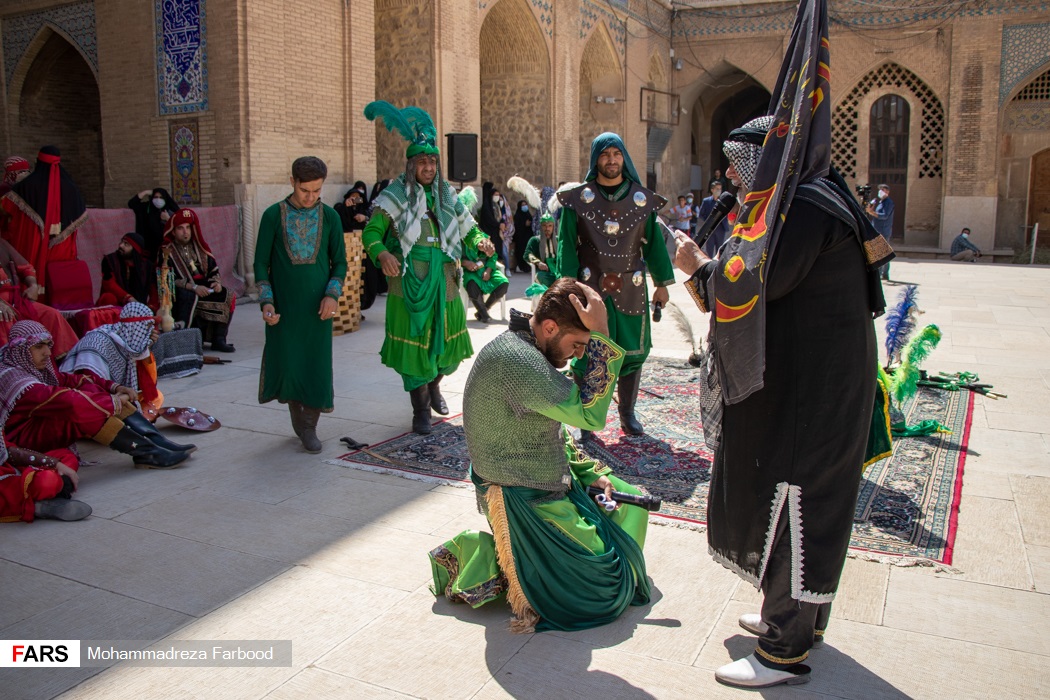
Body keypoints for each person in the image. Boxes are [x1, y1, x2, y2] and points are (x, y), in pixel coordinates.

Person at [675, 108, 892, 685]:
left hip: (811, 393)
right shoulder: (814, 197)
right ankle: (799, 615)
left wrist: (699, 266)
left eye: (737, 167)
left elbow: (755, 286)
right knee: (802, 501)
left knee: (795, 500)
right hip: (818, 381)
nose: (731, 180)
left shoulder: (801, 208)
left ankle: (782, 646)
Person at [428, 279, 650, 632]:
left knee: (632, 503)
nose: (579, 354)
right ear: (549, 327)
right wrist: (603, 332)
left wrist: (592, 474)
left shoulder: (527, 348)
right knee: (605, 589)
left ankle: (531, 560)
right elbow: (590, 415)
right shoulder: (517, 361)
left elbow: (553, 428)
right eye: (577, 344)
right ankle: (489, 556)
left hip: (549, 476)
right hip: (525, 495)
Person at [363, 101, 495, 435]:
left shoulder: (447, 195)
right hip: (411, 282)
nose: (428, 166)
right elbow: (372, 233)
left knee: (447, 347)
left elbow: (469, 228)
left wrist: (480, 241)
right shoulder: (395, 194)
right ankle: (419, 410)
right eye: (422, 161)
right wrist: (382, 255)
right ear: (410, 164)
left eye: (433, 160)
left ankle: (435, 385)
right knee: (414, 350)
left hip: (447, 280)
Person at [557, 132, 674, 437]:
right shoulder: (577, 201)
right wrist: (566, 287)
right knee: (586, 350)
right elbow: (567, 246)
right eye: (605, 154)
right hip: (588, 288)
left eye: (616, 154)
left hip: (631, 288)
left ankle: (627, 413)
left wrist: (662, 283)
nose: (611, 160)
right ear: (596, 160)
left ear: (624, 158)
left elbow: (655, 248)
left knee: (633, 351)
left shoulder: (642, 201)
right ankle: (586, 416)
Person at [0, 320, 193, 469]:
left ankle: (156, 442)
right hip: (19, 439)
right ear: (22, 349)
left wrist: (114, 387)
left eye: (47, 345)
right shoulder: (15, 379)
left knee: (89, 392)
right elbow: (67, 401)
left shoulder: (30, 363)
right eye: (38, 346)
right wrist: (112, 401)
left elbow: (71, 380)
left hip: (35, 425)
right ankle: (147, 452)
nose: (46, 352)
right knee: (80, 412)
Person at [254, 156, 347, 454]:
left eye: (317, 191)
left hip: (318, 309)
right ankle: (300, 420)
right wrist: (266, 301)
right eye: (305, 190)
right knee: (291, 363)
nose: (311, 197)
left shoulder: (330, 217)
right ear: (292, 181)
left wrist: (332, 295)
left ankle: (310, 426)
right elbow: (260, 263)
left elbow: (340, 263)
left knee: (315, 365)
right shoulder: (272, 215)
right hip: (285, 308)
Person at [59, 302, 192, 454]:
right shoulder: (98, 342)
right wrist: (117, 396)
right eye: (147, 329)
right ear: (136, 329)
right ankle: (150, 451)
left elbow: (146, 383)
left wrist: (146, 348)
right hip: (86, 403)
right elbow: (89, 386)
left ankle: (157, 441)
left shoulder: (124, 339)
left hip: (108, 394)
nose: (151, 334)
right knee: (122, 410)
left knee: (155, 398)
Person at [0, 146, 87, 301]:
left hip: (33, 245)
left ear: (38, 161)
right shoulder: (72, 188)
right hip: (61, 248)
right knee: (58, 280)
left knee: (31, 275)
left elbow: (5, 211)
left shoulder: (25, 188)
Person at [162, 208, 236, 352]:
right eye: (181, 228)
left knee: (228, 295)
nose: (185, 232)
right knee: (189, 297)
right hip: (183, 289)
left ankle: (219, 339)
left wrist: (216, 282)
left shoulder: (200, 247)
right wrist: (194, 288)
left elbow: (213, 269)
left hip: (204, 286)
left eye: (188, 227)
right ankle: (192, 339)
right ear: (173, 231)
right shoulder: (167, 251)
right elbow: (168, 278)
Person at [0, 237, 78, 357]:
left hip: (16, 301)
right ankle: (13, 365)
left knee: (52, 315)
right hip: (2, 306)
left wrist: (33, 285)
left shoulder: (2, 244)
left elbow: (26, 268)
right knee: (5, 318)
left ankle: (67, 363)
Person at [97, 232, 157, 308]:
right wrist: (129, 298)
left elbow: (153, 290)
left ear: (135, 250)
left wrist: (151, 308)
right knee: (108, 297)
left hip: (137, 307)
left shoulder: (147, 266)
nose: (121, 245)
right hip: (115, 305)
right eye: (122, 241)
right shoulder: (109, 260)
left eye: (126, 244)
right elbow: (109, 284)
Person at [462, 239, 508, 324]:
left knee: (503, 282)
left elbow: (493, 256)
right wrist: (465, 263)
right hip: (470, 271)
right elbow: (454, 258)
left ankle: (484, 309)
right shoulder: (459, 239)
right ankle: (484, 314)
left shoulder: (482, 238)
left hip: (486, 268)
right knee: (471, 283)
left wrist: (488, 270)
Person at [128, 187, 180, 263]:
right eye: (155, 197)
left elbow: (179, 225)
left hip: (167, 250)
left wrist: (168, 219)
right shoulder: (146, 208)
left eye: (161, 197)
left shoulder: (170, 210)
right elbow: (132, 204)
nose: (158, 200)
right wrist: (145, 192)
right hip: (149, 250)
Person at [866, 184, 894, 281]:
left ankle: (883, 273)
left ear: (887, 192)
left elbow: (884, 216)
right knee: (880, 252)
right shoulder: (880, 202)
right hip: (877, 229)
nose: (881, 191)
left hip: (884, 230)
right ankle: (883, 273)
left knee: (883, 252)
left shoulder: (889, 203)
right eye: (880, 190)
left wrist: (872, 212)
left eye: (883, 190)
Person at [697, 180, 731, 257]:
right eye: (717, 189)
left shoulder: (723, 201)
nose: (719, 191)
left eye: (720, 189)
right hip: (709, 229)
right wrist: (709, 221)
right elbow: (701, 214)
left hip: (721, 228)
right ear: (712, 190)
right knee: (709, 249)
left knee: (720, 249)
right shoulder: (706, 201)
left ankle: (717, 266)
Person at [526, 211, 559, 288]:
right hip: (544, 271)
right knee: (541, 277)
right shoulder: (534, 240)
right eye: (544, 226)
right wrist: (538, 262)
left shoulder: (558, 240)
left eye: (550, 226)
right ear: (541, 226)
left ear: (553, 227)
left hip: (557, 269)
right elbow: (528, 254)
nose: (547, 228)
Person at [478, 182, 506, 270]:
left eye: (498, 195)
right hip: (490, 232)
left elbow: (500, 217)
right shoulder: (487, 206)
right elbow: (489, 219)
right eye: (495, 195)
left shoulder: (497, 206)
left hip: (496, 233)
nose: (497, 197)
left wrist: (502, 224)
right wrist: (498, 225)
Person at [512, 199, 533, 273]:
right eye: (523, 205)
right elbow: (517, 226)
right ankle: (521, 266)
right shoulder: (517, 216)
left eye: (525, 205)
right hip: (520, 238)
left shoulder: (528, 214)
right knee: (521, 251)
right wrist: (524, 224)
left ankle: (528, 267)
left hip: (528, 237)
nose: (525, 206)